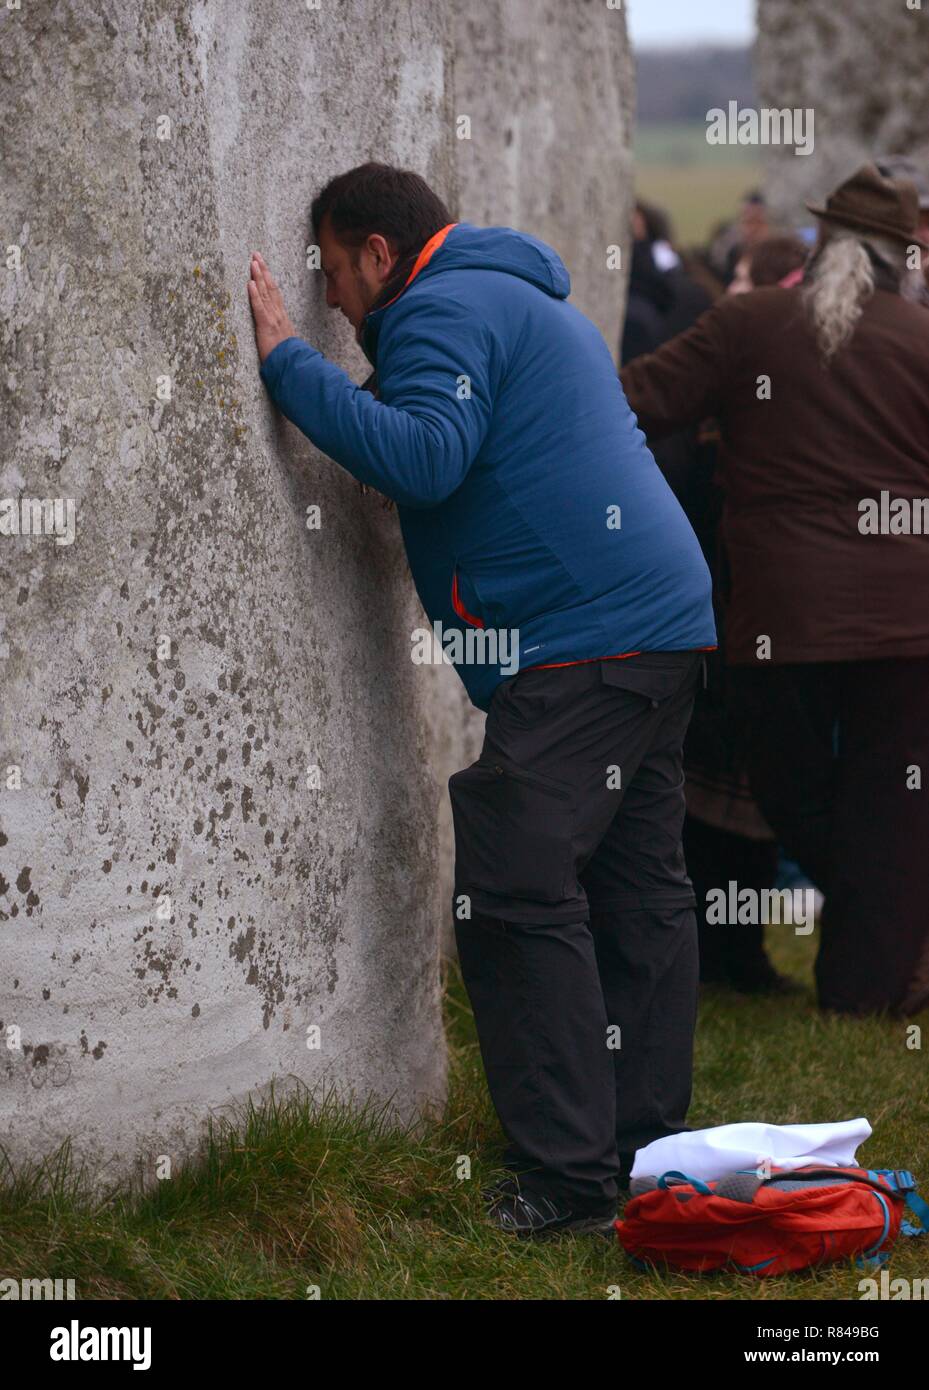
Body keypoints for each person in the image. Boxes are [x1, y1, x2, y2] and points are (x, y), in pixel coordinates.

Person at [247, 163, 717, 1237]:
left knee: (512, 891)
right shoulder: (507, 295)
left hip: (582, 640)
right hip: (660, 623)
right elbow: (463, 440)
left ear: (378, 253)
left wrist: (288, 363)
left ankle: (563, 1180)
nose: (331, 303)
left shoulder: (439, 305)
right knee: (639, 890)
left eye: (331, 274)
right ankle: (644, 1147)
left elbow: (427, 454)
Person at [620, 164, 929, 1017]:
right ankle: (871, 979)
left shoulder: (747, 322)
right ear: (903, 256)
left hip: (780, 615)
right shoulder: (920, 338)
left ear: (827, 241)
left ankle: (877, 962)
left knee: (784, 789)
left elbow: (633, 402)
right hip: (909, 618)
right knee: (887, 794)